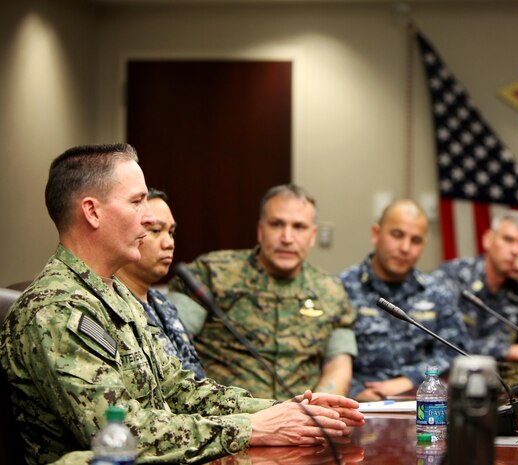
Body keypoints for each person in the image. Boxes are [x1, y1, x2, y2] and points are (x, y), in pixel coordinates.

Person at [0, 144, 363, 465]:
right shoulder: (57, 310)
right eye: (136, 201)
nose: (148, 216)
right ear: (92, 212)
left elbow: (177, 389)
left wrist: (284, 411)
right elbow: (121, 434)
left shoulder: (115, 294)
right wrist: (251, 427)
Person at [169, 184, 356, 399]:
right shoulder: (211, 273)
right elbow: (171, 345)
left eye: (299, 227)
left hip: (303, 419)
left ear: (312, 235)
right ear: (260, 230)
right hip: (229, 421)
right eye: (276, 224)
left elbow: (338, 364)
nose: (287, 237)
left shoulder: (331, 291)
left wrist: (318, 408)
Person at [339, 200, 468, 400]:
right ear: (376, 234)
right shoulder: (341, 288)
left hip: (422, 404)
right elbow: (327, 360)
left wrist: (409, 380)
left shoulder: (437, 293)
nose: (405, 248)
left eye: (415, 240)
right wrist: (357, 393)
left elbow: (457, 352)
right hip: (357, 405)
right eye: (397, 235)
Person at [433, 209, 518, 363]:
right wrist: (510, 351)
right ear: (488, 240)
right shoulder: (453, 276)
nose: (515, 250)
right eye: (508, 240)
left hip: (510, 381)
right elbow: (443, 345)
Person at [115, 187, 206, 380]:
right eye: (156, 230)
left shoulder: (162, 304)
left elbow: (194, 381)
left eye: (171, 232)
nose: (169, 243)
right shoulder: (110, 303)